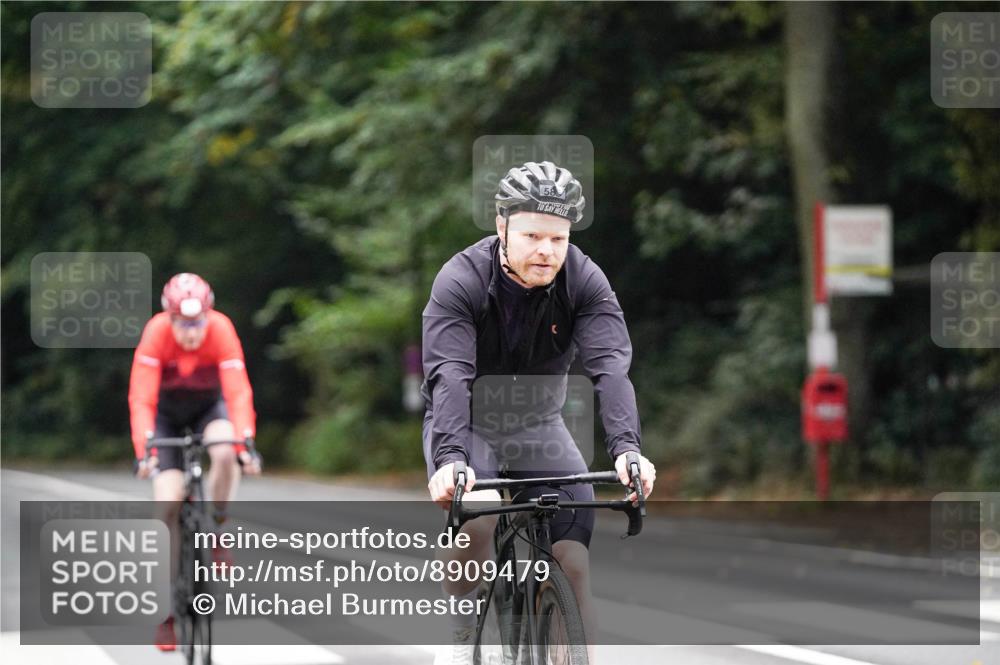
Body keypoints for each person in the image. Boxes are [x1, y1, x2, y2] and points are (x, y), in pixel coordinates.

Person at [422, 161, 656, 664]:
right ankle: (465, 630)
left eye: (558, 238)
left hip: (539, 424)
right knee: (477, 520)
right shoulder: (460, 279)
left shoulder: (585, 280)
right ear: (502, 227)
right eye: (532, 235)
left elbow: (611, 370)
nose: (546, 251)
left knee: (572, 562)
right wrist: (450, 460)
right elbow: (450, 378)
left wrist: (628, 450)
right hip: (469, 422)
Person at [128, 272, 261, 651]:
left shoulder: (221, 330)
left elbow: (237, 392)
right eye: (183, 324)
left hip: (207, 408)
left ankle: (218, 524)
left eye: (198, 322)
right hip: (165, 415)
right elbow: (142, 399)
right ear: (169, 318)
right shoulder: (156, 333)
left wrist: (245, 443)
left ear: (209, 314)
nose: (191, 333)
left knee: (224, 450)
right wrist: (145, 451)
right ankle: (166, 613)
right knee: (166, 504)